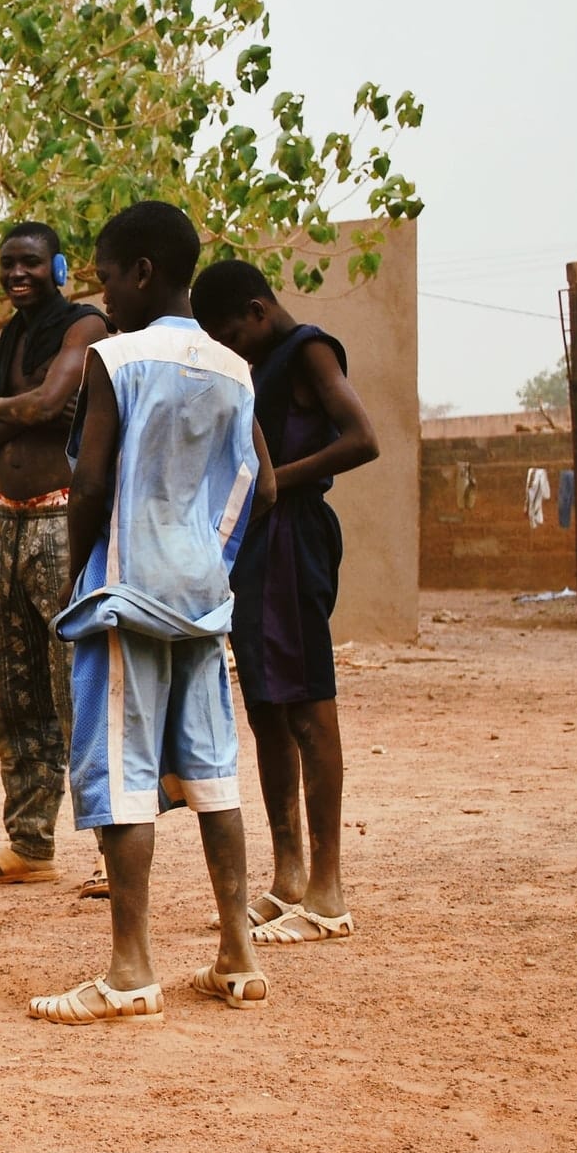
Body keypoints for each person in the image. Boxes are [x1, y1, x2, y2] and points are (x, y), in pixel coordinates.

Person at [30, 201, 277, 1025]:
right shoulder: (235, 368)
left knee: (122, 778)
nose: (103, 296)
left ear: (141, 272)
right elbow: (259, 484)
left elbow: (91, 481)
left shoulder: (116, 357)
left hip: (124, 597)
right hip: (202, 600)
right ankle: (238, 956)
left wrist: (79, 576)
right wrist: (212, 558)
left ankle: (131, 968)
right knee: (213, 773)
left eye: (105, 276)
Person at [191, 259, 378, 945]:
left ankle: (327, 890)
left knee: (307, 704)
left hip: (294, 537)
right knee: (267, 707)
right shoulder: (255, 368)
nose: (226, 345)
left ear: (258, 309)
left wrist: (272, 482)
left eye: (228, 330)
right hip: (255, 547)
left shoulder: (309, 350)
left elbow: (363, 438)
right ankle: (288, 875)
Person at [0, 223, 112, 897]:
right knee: (15, 693)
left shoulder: (85, 326)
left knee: (80, 685)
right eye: (7, 263)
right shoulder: (5, 339)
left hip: (61, 518)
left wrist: (6, 406)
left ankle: (111, 848)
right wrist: (30, 410)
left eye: (30, 263)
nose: (16, 274)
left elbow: (55, 402)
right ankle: (29, 843)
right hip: (8, 523)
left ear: (60, 267)